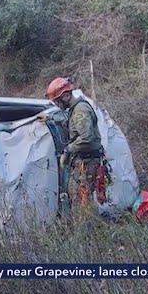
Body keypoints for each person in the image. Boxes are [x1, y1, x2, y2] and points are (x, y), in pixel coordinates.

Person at [46, 77, 107, 213]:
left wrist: (68, 150)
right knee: (79, 198)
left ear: (66, 96)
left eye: (57, 101)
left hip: (87, 162)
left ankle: (85, 231)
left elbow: (87, 137)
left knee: (80, 202)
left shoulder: (80, 111)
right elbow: (74, 128)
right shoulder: (74, 110)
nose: (57, 105)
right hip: (83, 162)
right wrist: (51, 118)